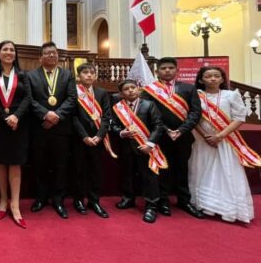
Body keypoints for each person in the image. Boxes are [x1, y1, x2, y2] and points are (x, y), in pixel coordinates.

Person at [189, 66, 260, 223]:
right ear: (201, 79)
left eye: (216, 76)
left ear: (222, 79)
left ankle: (228, 207)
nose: (213, 79)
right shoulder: (196, 96)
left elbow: (240, 117)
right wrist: (206, 136)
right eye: (208, 76)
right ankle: (205, 204)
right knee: (203, 169)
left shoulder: (231, 95)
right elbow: (192, 118)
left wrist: (220, 136)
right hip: (203, 140)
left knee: (226, 170)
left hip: (225, 139)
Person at [141, 57, 204, 218]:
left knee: (182, 169)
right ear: (157, 71)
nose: (167, 71)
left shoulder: (189, 88)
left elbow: (195, 112)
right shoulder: (149, 90)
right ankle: (163, 201)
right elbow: (149, 114)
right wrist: (166, 130)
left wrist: (182, 129)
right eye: (163, 68)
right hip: (160, 137)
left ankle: (184, 201)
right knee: (163, 170)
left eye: (170, 68)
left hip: (183, 136)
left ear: (177, 71)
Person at [0, 40, 32, 228]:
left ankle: (15, 204)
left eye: (12, 50)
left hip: (18, 124)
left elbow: (28, 97)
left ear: (15, 54)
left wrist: (16, 116)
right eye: (5, 49)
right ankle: (3, 200)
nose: (9, 52)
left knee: (15, 162)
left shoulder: (22, 74)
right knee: (2, 161)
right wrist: (6, 116)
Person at [27, 42, 76, 219]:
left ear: (58, 56)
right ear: (40, 57)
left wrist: (56, 116)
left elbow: (72, 98)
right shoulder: (31, 75)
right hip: (40, 127)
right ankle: (40, 197)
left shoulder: (67, 74)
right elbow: (29, 100)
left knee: (60, 165)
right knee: (39, 164)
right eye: (47, 53)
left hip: (61, 128)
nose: (51, 56)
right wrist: (45, 115)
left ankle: (58, 199)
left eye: (54, 53)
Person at [111, 79, 166, 223]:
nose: (130, 90)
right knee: (127, 174)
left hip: (146, 147)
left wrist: (150, 144)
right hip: (126, 147)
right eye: (126, 89)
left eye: (133, 88)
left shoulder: (149, 105)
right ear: (121, 93)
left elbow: (158, 126)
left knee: (149, 177)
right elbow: (113, 125)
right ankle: (128, 198)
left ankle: (151, 206)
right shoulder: (117, 107)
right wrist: (121, 133)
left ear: (138, 89)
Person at [72, 63, 115, 218]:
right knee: (79, 170)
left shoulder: (102, 93)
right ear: (78, 76)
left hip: (98, 139)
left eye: (91, 72)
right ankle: (78, 200)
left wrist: (99, 135)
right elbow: (73, 117)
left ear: (95, 76)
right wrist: (84, 136)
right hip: (80, 139)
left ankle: (94, 200)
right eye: (85, 73)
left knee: (96, 171)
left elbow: (106, 117)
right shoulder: (73, 92)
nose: (89, 75)